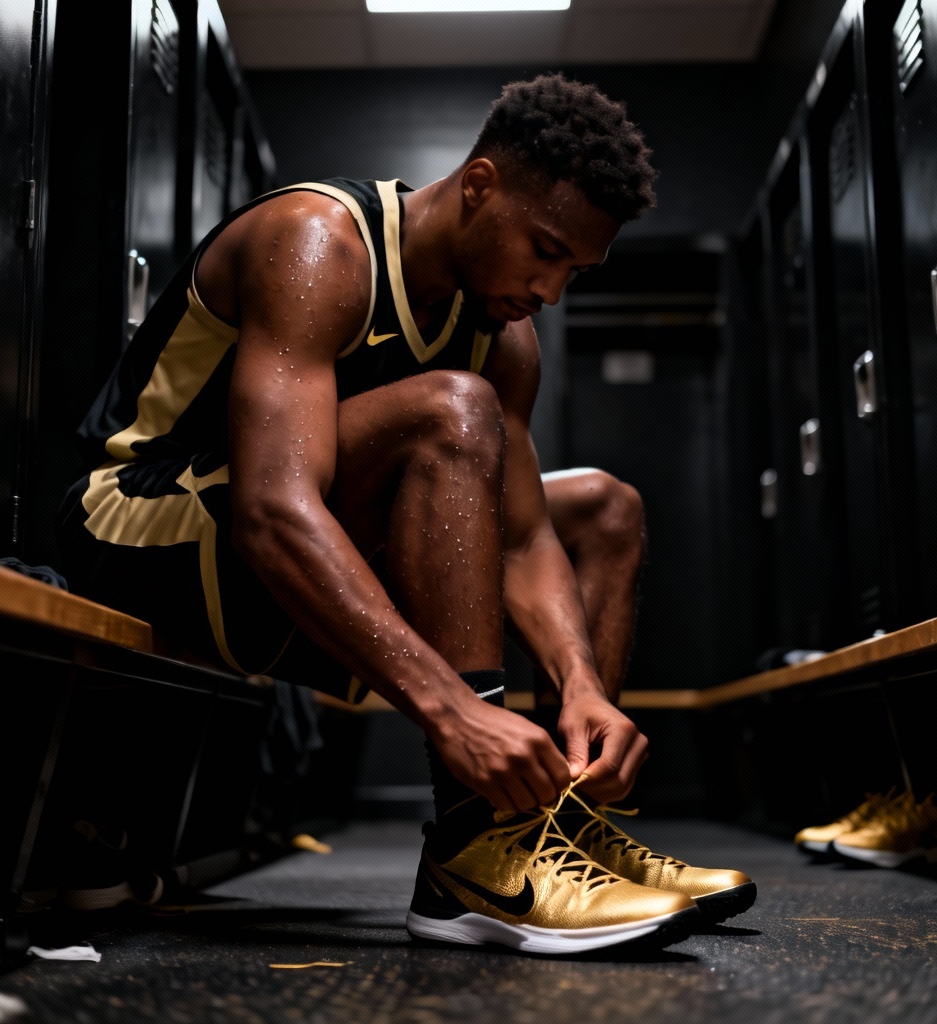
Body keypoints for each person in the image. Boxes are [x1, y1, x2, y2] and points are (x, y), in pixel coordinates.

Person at [58, 73, 754, 955]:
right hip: (138, 527)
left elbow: (528, 532)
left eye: (574, 269)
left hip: (278, 552)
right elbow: (275, 512)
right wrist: (451, 712)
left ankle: (559, 826)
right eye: (543, 250)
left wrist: (578, 685)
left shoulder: (505, 334)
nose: (549, 288)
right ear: (478, 186)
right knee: (451, 412)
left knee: (604, 509)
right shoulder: (318, 244)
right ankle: (477, 846)